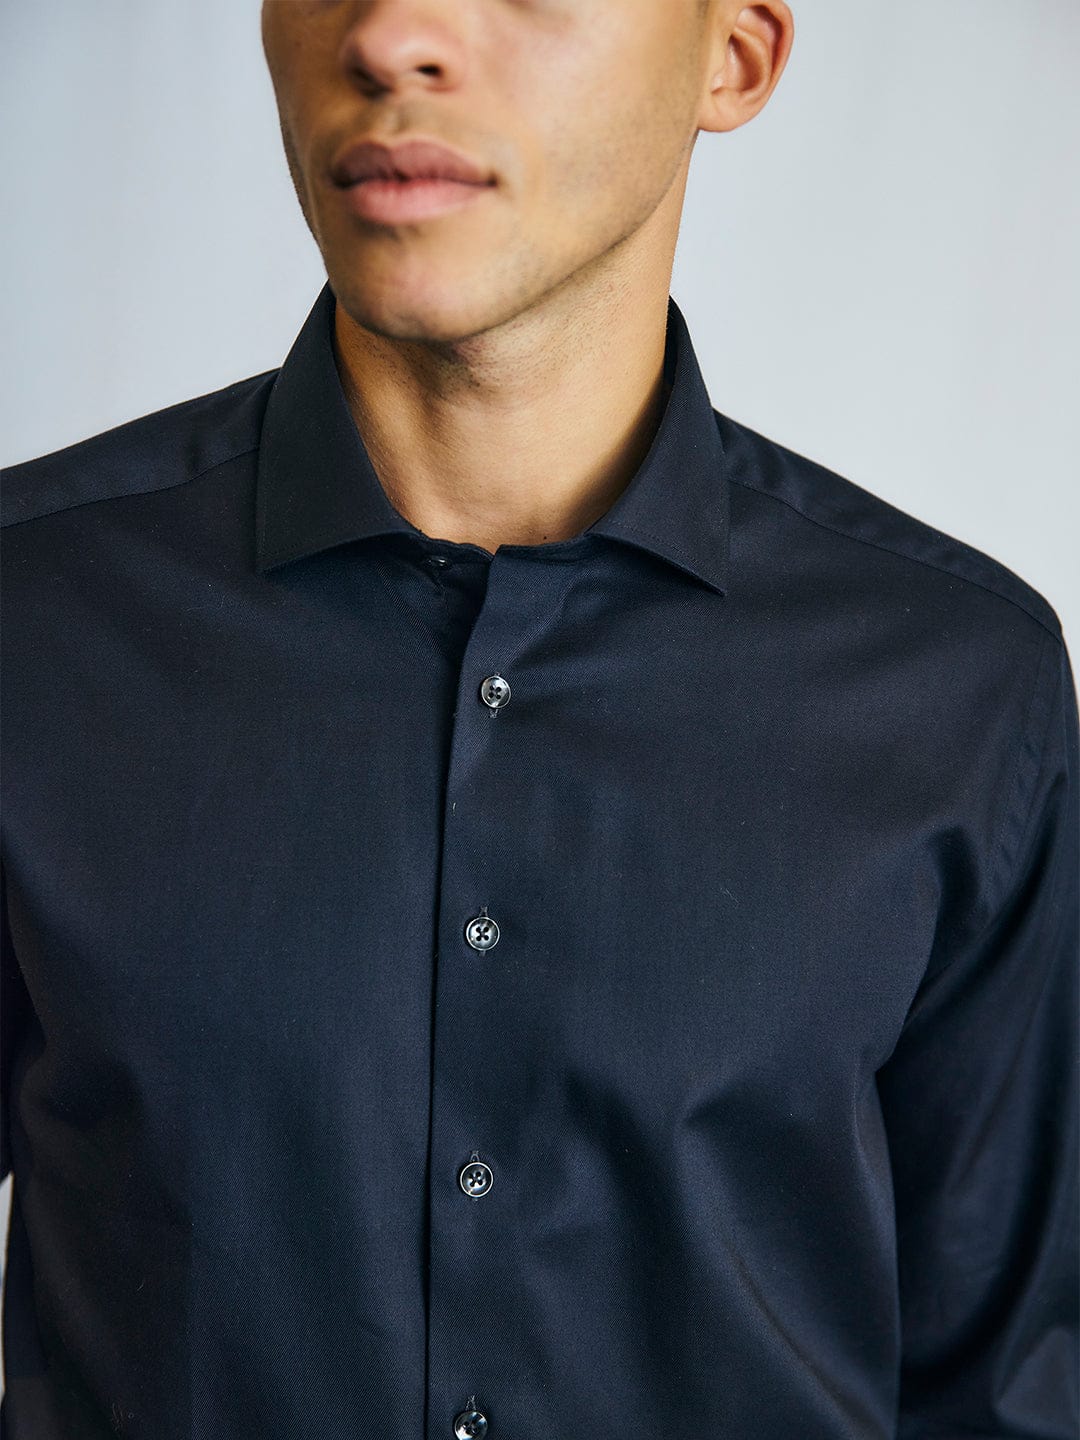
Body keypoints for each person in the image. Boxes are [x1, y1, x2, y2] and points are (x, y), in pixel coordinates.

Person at [1, 2, 1076, 1436]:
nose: (391, 34)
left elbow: (1013, 1397)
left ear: (734, 56)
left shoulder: (965, 686)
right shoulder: (32, 618)